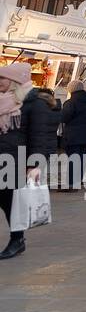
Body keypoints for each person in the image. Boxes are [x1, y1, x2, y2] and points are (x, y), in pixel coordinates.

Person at [0, 62, 33, 260]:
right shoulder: (3, 100)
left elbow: (40, 135)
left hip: (13, 161)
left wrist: (34, 165)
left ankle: (17, 239)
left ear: (14, 81)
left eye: (2, 78)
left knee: (10, 203)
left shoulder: (31, 102)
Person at [59, 80, 86, 192]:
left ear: (71, 89)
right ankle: (77, 182)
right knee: (82, 158)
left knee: (73, 159)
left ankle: (71, 184)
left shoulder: (71, 102)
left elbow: (64, 117)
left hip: (73, 135)